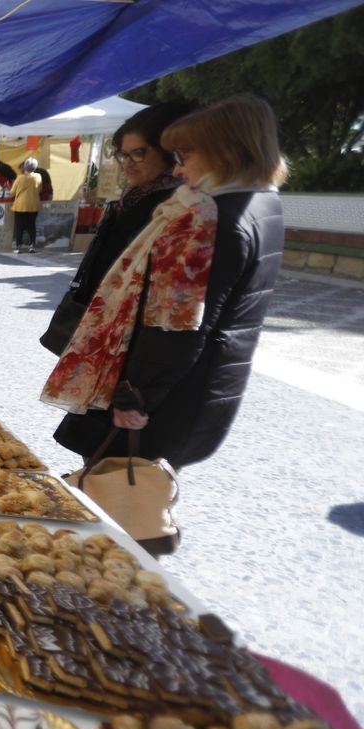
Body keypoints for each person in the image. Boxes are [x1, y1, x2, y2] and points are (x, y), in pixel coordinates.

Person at [43, 94, 287, 475]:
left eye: (184, 157)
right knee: (142, 488)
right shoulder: (262, 203)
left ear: (222, 152)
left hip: (166, 391)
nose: (177, 171)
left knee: (122, 489)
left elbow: (176, 322)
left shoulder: (204, 215)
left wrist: (136, 394)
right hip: (206, 385)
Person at [40, 103, 194, 354]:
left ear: (167, 152)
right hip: (98, 320)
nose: (127, 163)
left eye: (138, 153)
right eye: (123, 155)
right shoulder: (131, 198)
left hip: (126, 336)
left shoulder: (173, 207)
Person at [11, 158, 42, 252]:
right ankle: (32, 246)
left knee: (19, 226)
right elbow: (40, 189)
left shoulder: (20, 178)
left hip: (21, 205)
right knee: (31, 226)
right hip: (33, 205)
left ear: (25, 167)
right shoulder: (38, 176)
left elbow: (12, 192)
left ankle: (18, 247)